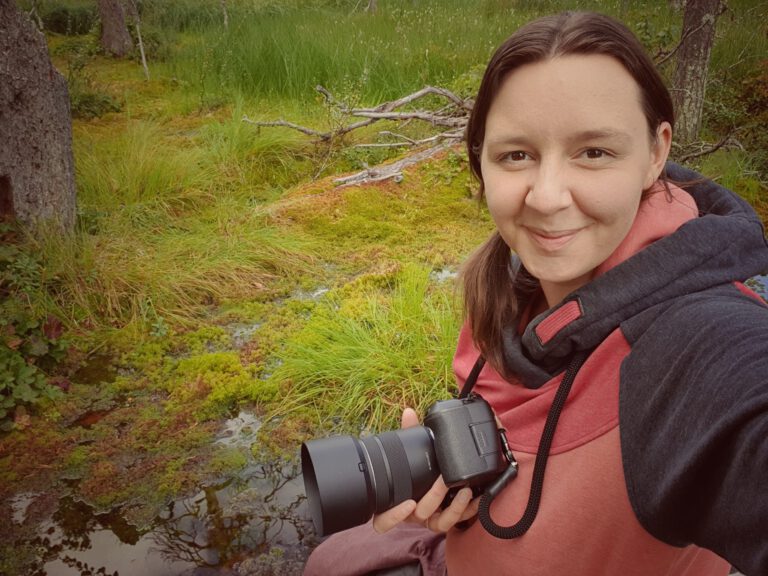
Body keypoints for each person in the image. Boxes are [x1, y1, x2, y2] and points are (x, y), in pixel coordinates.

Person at [304, 10, 768, 576]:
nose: (546, 198)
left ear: (655, 152)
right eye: (515, 155)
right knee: (330, 560)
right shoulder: (505, 288)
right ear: (480, 161)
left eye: (593, 151)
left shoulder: (692, 345)